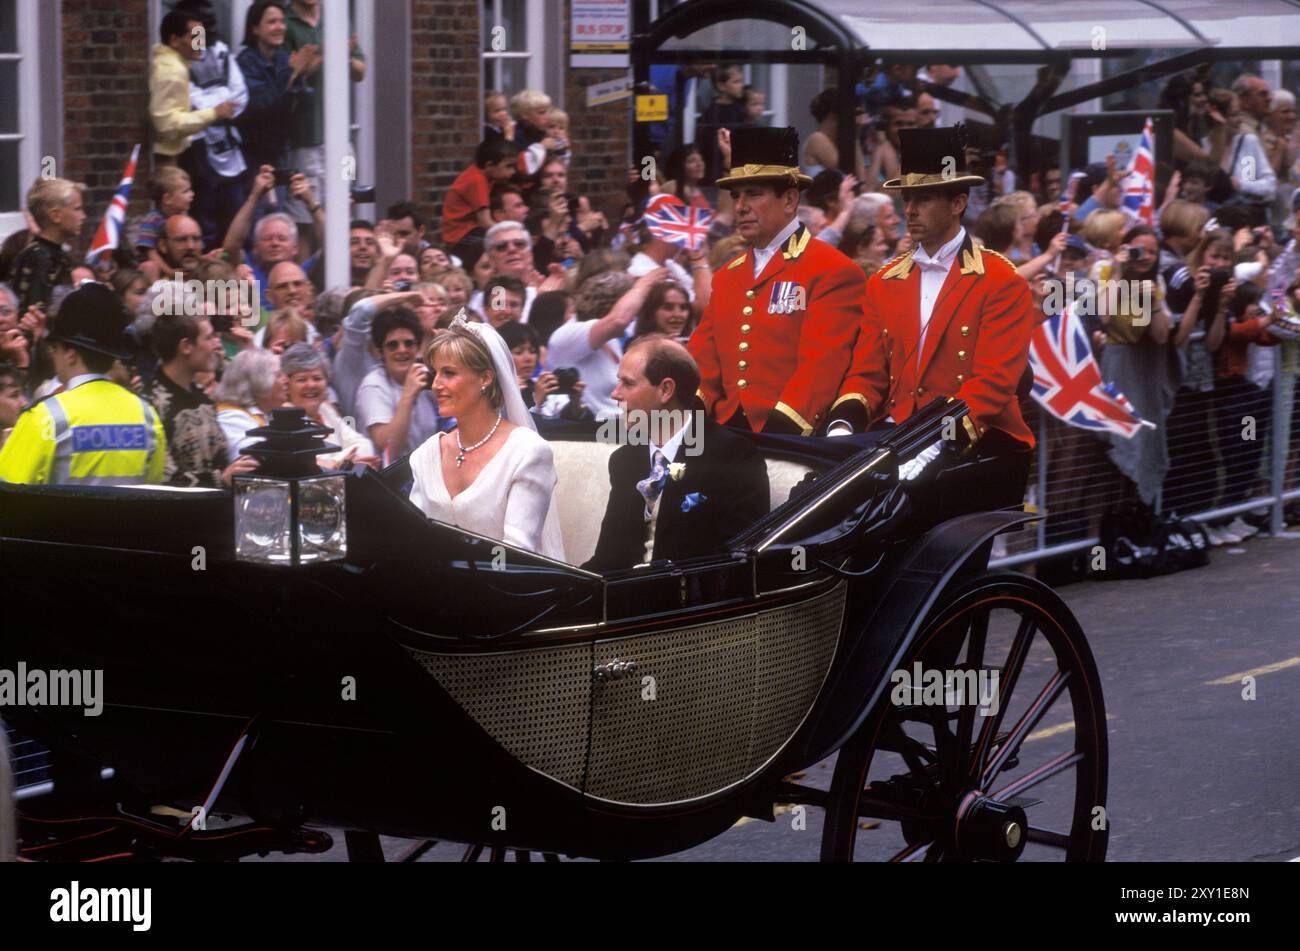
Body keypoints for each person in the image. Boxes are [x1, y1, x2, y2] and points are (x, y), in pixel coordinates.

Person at [828, 126, 1036, 487]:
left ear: (958, 203)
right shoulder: (884, 281)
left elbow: (993, 383)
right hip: (896, 436)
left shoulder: (1002, 281)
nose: (910, 210)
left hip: (976, 439)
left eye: (924, 199)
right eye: (907, 198)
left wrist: (938, 440)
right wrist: (843, 424)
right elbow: (868, 373)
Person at [690, 126, 864, 435]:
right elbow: (704, 361)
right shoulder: (728, 275)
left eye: (754, 193)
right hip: (726, 432)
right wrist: (690, 424)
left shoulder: (832, 270)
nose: (740, 206)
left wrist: (779, 433)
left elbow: (821, 368)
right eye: (736, 195)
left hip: (788, 434)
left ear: (789, 200)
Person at [584, 335, 769, 571]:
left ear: (665, 390)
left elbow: (735, 565)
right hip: (626, 601)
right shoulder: (625, 460)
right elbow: (608, 559)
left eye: (628, 384)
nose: (616, 394)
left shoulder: (733, 456)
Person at [408, 318, 565, 560]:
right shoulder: (426, 454)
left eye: (448, 373)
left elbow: (516, 556)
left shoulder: (528, 452)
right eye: (435, 373)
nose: (436, 384)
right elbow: (413, 541)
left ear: (485, 378)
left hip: (507, 591)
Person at [0, 284, 166, 486]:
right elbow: (155, 488)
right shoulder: (147, 414)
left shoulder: (46, 417)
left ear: (71, 355)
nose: (53, 355)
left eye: (55, 348)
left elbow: (6, 495)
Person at [144, 310, 256, 487]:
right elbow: (161, 478)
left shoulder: (204, 400)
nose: (216, 345)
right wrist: (222, 479)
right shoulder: (150, 403)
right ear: (186, 346)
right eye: (210, 337)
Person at [282, 0, 366, 231]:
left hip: (342, 142)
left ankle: (343, 267)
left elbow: (360, 71)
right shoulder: (285, 22)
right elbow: (293, 74)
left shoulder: (336, 17)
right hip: (305, 140)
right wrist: (329, 52)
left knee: (344, 206)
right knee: (305, 221)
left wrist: (344, 57)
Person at [173, 0, 249, 249]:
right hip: (198, 150)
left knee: (235, 220)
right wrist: (218, 106)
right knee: (204, 222)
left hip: (229, 148)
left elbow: (240, 95)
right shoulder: (175, 61)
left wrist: (214, 106)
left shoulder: (220, 51)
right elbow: (188, 100)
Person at [355, 306, 449, 462]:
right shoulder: (373, 385)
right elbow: (387, 447)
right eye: (393, 345)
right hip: (390, 479)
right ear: (380, 351)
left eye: (409, 343)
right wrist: (408, 396)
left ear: (418, 347)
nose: (402, 350)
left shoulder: (426, 375)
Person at [149, 9, 238, 167]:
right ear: (175, 40)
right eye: (195, 37)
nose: (201, 44)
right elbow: (167, 125)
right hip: (164, 159)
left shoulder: (171, 64)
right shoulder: (172, 71)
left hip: (169, 154)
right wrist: (213, 113)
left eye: (202, 36)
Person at [237, 0, 313, 174]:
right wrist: (291, 74)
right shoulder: (245, 63)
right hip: (254, 156)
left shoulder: (283, 58)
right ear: (255, 28)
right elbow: (260, 105)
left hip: (281, 151)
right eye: (272, 22)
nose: (280, 27)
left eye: (282, 21)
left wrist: (300, 76)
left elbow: (302, 106)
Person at [281, 343, 378, 469]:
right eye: (301, 380)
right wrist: (344, 462)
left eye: (317, 378)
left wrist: (342, 463)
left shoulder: (325, 410)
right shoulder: (284, 418)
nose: (311, 385)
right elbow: (310, 464)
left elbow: (364, 444)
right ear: (288, 386)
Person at [442, 139, 521, 269]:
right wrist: (509, 234)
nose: (513, 172)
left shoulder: (485, 177)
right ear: (489, 166)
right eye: (509, 166)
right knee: (496, 241)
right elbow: (484, 221)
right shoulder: (477, 181)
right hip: (460, 237)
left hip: (471, 231)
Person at [11, 178, 84, 313]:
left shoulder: (58, 255)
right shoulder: (38, 257)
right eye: (77, 209)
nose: (83, 216)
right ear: (56, 215)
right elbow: (35, 311)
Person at [215, 348, 287, 455]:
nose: (286, 380)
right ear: (258, 381)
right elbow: (255, 460)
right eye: (278, 375)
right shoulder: (232, 418)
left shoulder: (266, 413)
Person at [135, 167, 195, 277]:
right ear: (168, 199)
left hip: (178, 265)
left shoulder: (185, 219)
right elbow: (150, 252)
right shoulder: (153, 220)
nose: (192, 194)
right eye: (186, 191)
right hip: (160, 269)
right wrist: (169, 272)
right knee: (150, 267)